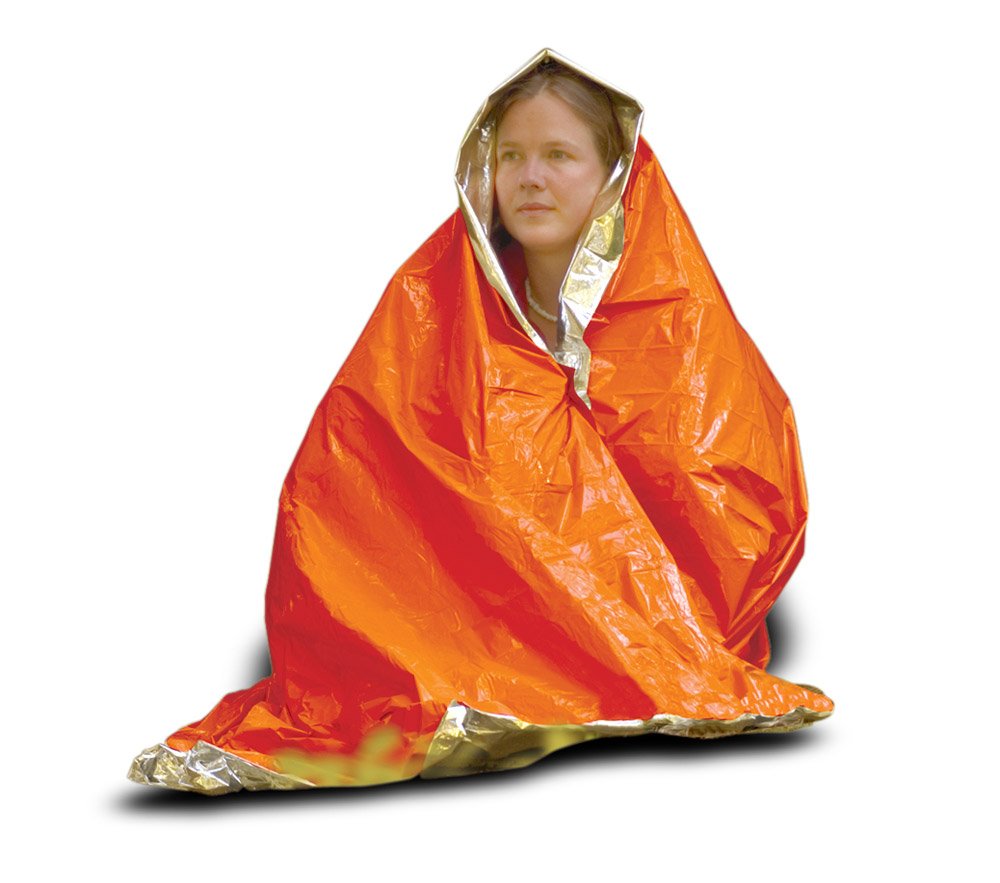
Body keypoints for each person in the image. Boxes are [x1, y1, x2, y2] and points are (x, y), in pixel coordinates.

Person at [129, 49, 833, 794]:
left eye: (559, 155)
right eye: (512, 156)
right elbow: (361, 469)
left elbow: (723, 491)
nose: (530, 177)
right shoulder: (433, 306)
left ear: (616, 175)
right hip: (471, 621)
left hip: (658, 619)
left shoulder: (680, 326)